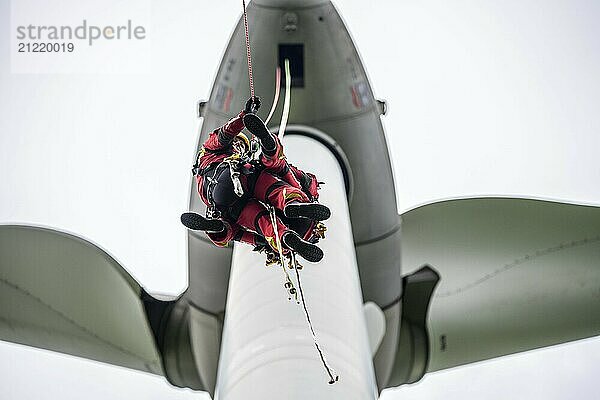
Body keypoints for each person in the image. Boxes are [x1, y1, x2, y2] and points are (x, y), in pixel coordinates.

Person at [181, 97, 330, 262]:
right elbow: (224, 134)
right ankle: (291, 200)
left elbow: (238, 234)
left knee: (262, 223)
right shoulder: (210, 152)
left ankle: (285, 236)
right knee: (277, 187)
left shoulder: (204, 173)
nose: (239, 148)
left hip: (227, 203)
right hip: (240, 176)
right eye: (238, 143)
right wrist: (245, 115)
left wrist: (259, 241)